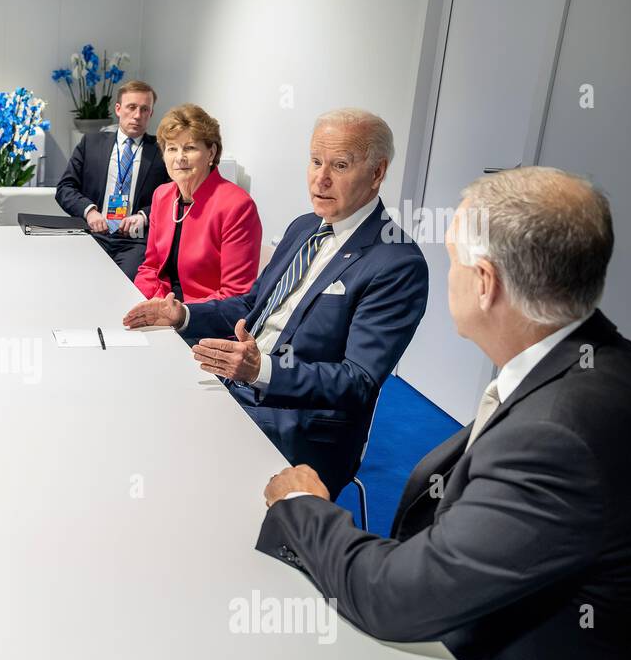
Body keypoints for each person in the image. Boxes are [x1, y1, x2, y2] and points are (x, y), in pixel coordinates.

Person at [258, 166, 631, 660]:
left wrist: (303, 506)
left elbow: (395, 597)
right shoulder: (592, 365)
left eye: (456, 259)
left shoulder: (559, 433)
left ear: (484, 284)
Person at [123, 108, 428, 498]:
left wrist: (261, 370)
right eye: (316, 161)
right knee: (140, 418)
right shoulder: (304, 227)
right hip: (235, 385)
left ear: (377, 172)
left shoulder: (396, 262)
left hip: (298, 423)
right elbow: (251, 305)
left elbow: (358, 382)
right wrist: (183, 314)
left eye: (339, 165)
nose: (321, 179)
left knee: (180, 474)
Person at [133, 103, 260, 303]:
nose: (179, 158)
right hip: (161, 310)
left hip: (205, 320)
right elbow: (150, 267)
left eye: (190, 148)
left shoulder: (237, 206)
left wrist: (177, 314)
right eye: (172, 148)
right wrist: (152, 303)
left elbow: (235, 295)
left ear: (211, 153)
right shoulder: (161, 196)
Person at [55, 79, 170, 279]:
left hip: (134, 241)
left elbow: (172, 198)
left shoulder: (162, 152)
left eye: (144, 109)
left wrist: (144, 216)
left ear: (151, 114)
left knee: (125, 286)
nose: (137, 115)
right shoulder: (91, 143)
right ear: (118, 109)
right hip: (92, 233)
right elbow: (65, 188)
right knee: (78, 279)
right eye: (131, 107)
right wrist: (89, 212)